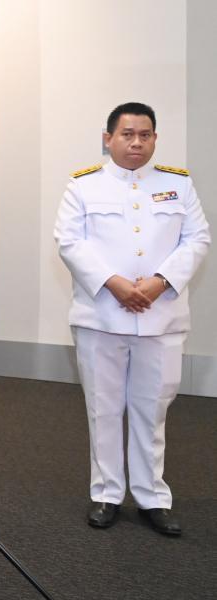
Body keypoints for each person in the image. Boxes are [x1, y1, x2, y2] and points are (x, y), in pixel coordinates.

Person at [54, 102, 210, 536]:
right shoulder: (83, 185)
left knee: (152, 409)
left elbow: (197, 239)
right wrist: (115, 283)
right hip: (101, 315)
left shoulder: (178, 185)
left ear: (155, 138)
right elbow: (68, 241)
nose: (136, 142)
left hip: (161, 317)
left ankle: (151, 496)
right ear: (108, 139)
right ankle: (106, 493)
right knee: (103, 408)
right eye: (127, 134)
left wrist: (161, 282)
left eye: (145, 134)